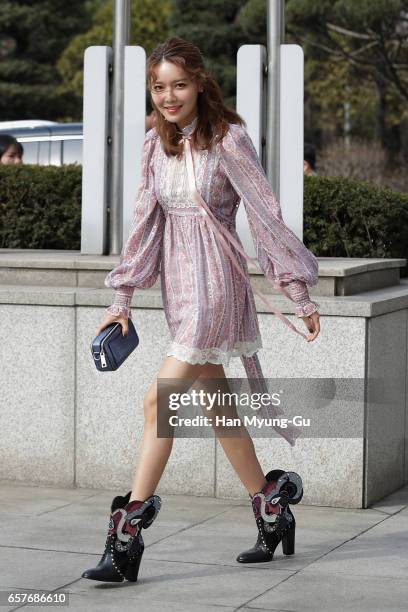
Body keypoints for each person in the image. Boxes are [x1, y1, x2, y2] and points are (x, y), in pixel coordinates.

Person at [82, 37, 321, 584]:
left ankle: (126, 539)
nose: (169, 96)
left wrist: (297, 291)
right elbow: (145, 223)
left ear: (200, 83)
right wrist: (122, 300)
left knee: (158, 401)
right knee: (216, 405)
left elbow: (265, 215)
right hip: (180, 290)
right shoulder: (154, 145)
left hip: (218, 288)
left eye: (179, 85)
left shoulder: (229, 140)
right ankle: (271, 505)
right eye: (159, 87)